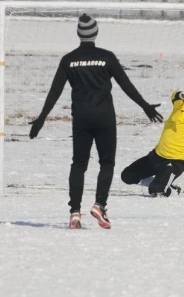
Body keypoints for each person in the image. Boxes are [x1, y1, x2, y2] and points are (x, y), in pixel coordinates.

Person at [29, 13, 164, 229]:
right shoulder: (107, 57)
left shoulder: (68, 60)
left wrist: (41, 118)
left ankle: (75, 212)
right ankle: (99, 205)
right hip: (104, 119)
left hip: (81, 119)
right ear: (96, 33)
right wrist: (145, 106)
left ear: (78, 34)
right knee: (107, 163)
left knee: (79, 164)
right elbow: (126, 85)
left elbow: (55, 91)